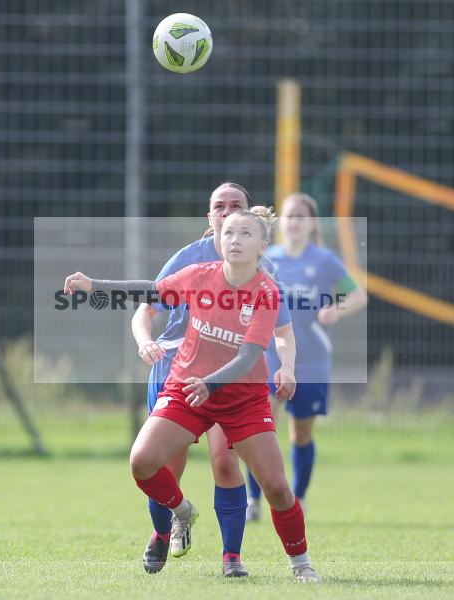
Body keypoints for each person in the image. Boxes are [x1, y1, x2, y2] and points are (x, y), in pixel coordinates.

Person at [64, 210, 321, 582]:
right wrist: (93, 283)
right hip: (188, 389)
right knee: (142, 461)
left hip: (242, 398)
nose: (234, 239)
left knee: (277, 488)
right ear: (218, 238)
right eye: (229, 232)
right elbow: (149, 292)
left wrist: (212, 383)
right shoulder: (199, 276)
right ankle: (181, 511)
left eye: (246, 234)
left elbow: (250, 355)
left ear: (263, 246)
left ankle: (301, 564)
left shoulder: (266, 292)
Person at [130, 183, 297, 577]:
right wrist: (145, 341)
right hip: (177, 371)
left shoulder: (261, 265)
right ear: (209, 217)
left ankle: (232, 557)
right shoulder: (190, 258)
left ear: (251, 216)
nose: (226, 212)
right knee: (166, 466)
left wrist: (286, 365)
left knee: (225, 461)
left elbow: (282, 330)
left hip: (230, 381)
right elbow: (145, 309)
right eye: (219, 207)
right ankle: (165, 528)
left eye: (235, 205)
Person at [246, 193, 368, 521]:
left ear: (311, 222)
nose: (294, 221)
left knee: (301, 434)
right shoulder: (267, 259)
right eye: (289, 215)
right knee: (258, 429)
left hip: (311, 363)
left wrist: (336, 309)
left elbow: (358, 294)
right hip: (269, 358)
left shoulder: (324, 260)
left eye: (301, 216)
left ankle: (297, 498)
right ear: (279, 221)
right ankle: (253, 500)